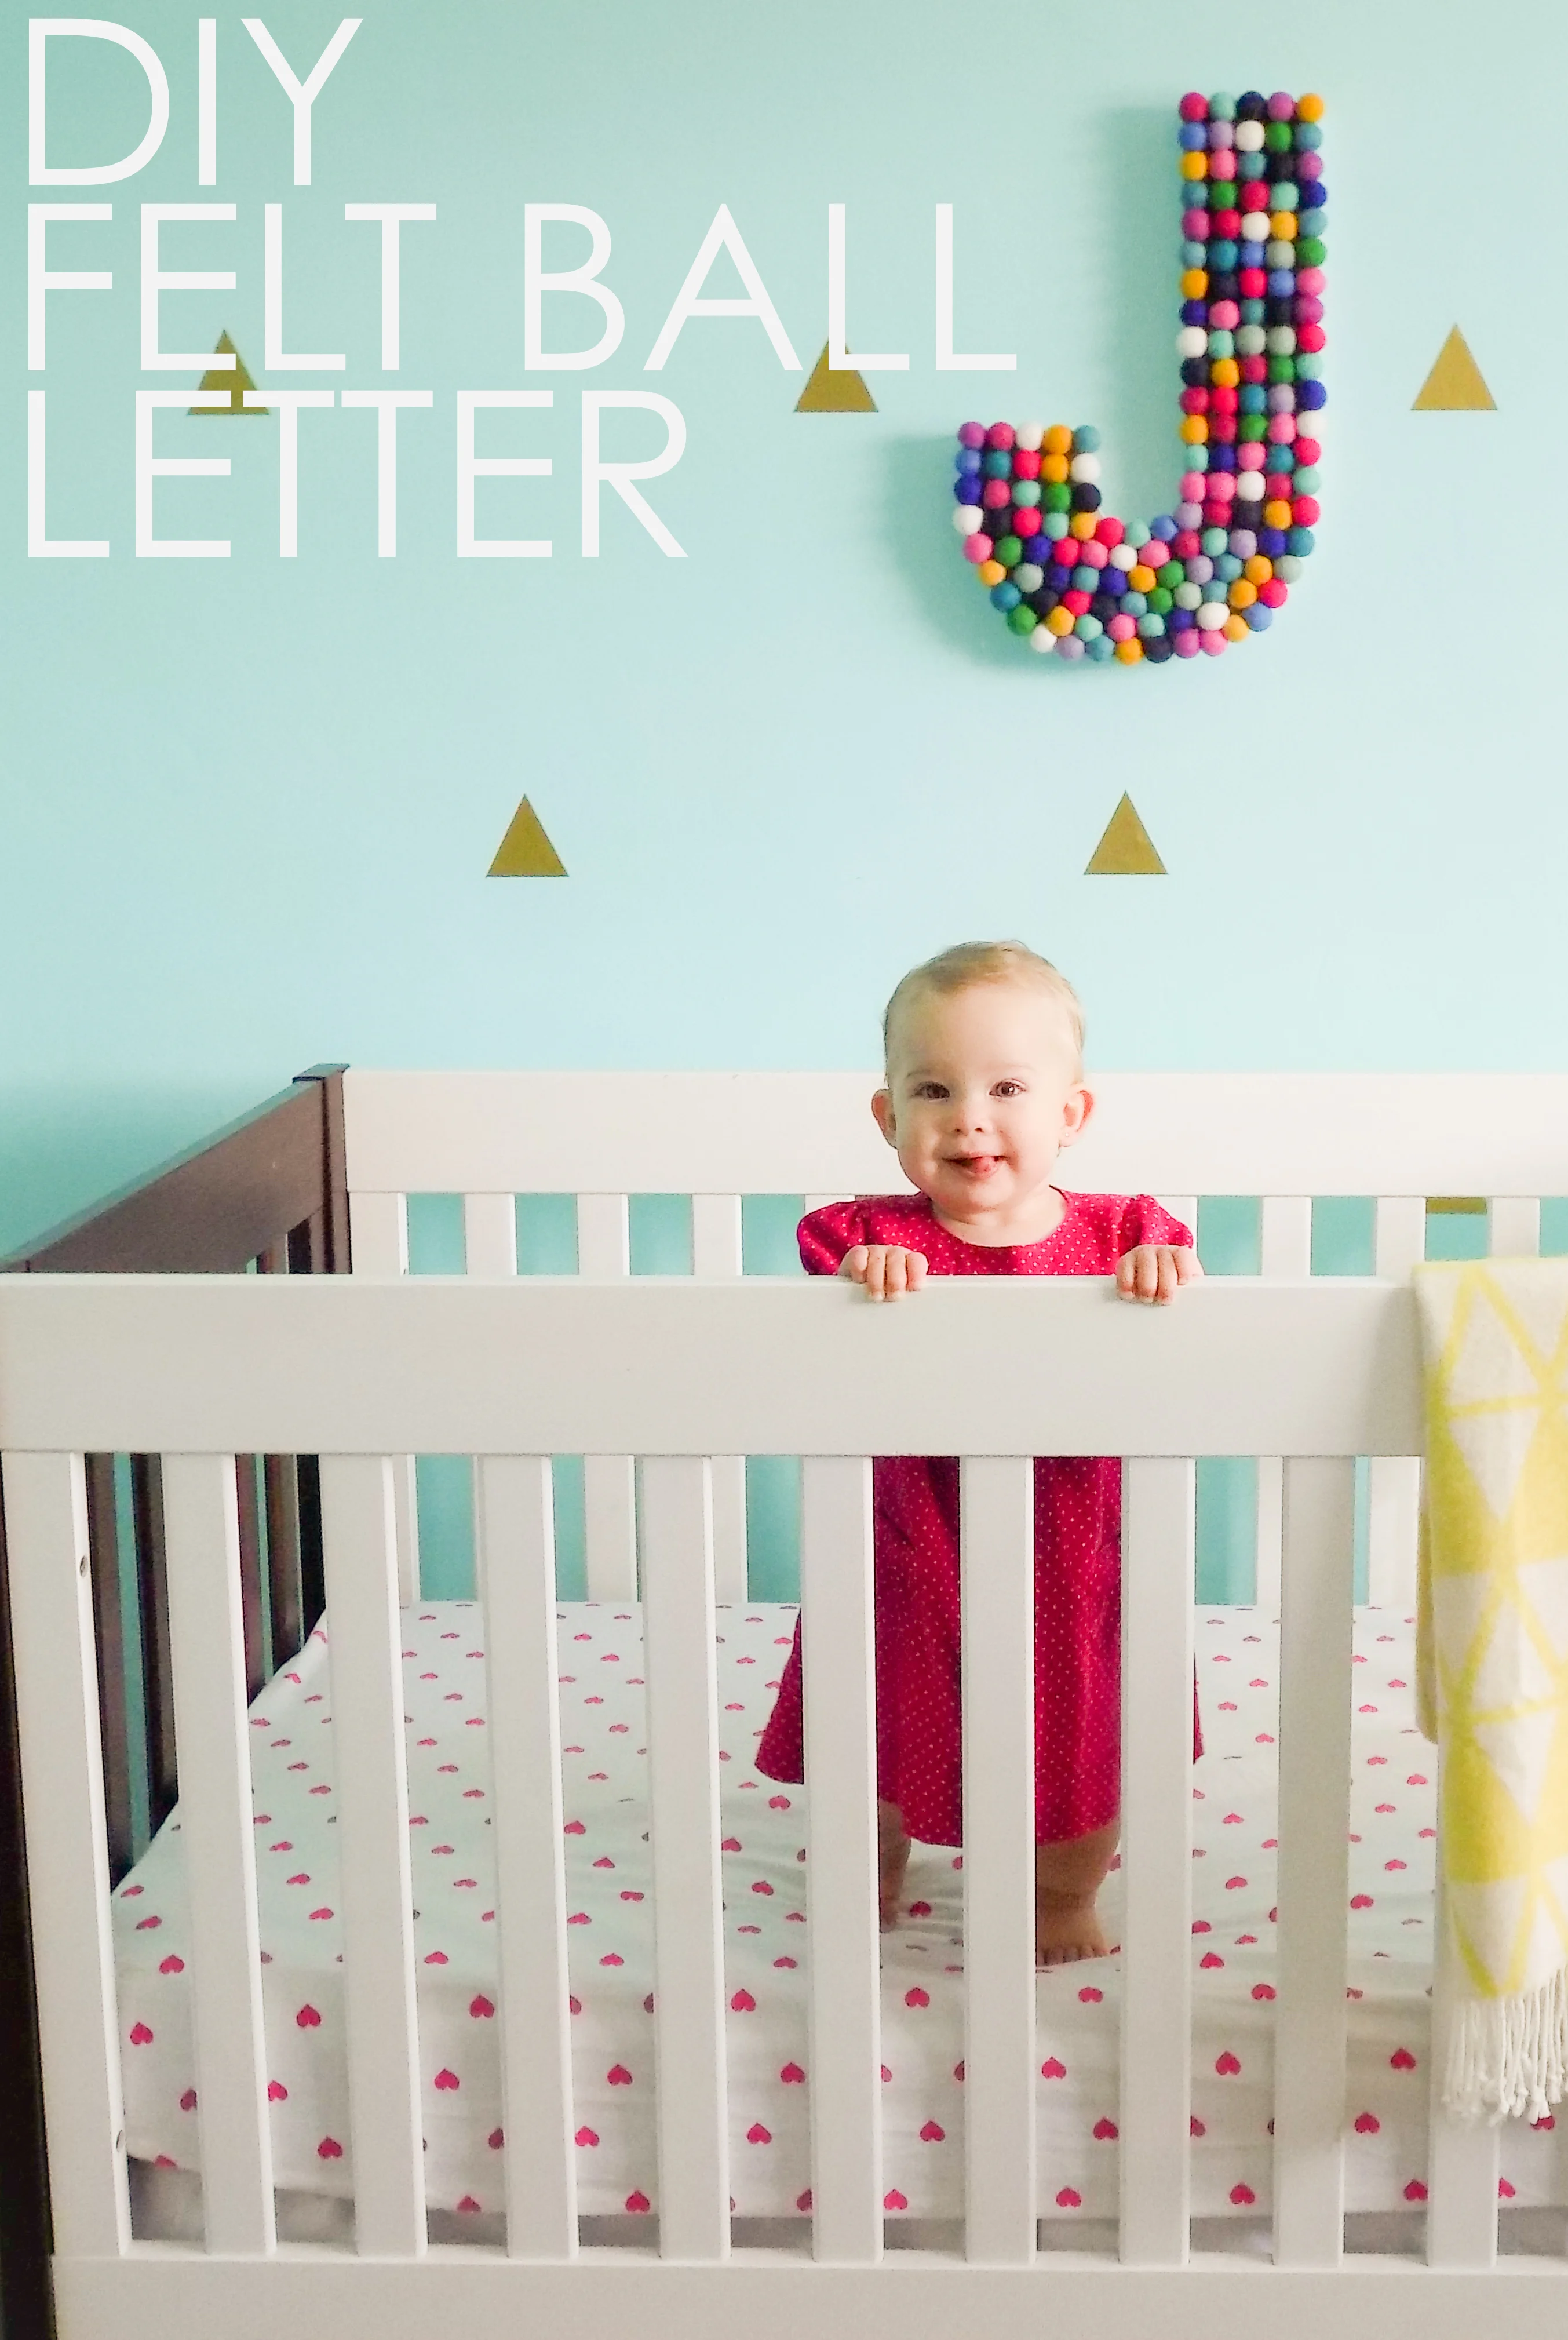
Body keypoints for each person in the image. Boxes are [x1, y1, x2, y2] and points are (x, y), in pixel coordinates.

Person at [754, 939, 1202, 1964]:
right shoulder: (863, 1235)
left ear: (1070, 1115)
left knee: (1085, 1747)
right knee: (877, 1737)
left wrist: (1160, 1269)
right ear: (888, 1118)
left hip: (1076, 1559)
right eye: (932, 1088)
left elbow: (1178, 1277)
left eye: (1007, 1086)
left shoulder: (1126, 1231)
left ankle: (1059, 1896)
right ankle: (870, 1869)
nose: (968, 1117)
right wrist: (859, 1275)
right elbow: (824, 1271)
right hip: (911, 1552)